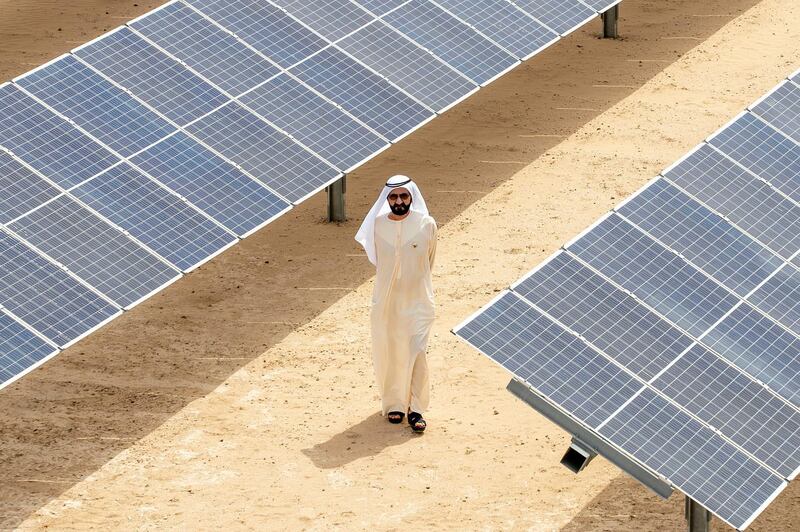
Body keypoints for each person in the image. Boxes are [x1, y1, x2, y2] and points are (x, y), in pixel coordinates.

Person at [355, 175, 437, 433]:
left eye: (404, 196)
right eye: (393, 196)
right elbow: (378, 260)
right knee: (390, 351)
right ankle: (394, 405)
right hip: (387, 303)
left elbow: (430, 259)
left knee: (417, 351)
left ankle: (416, 408)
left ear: (412, 197)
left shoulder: (427, 224)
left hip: (419, 302)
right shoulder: (377, 226)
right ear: (387, 199)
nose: (399, 201)